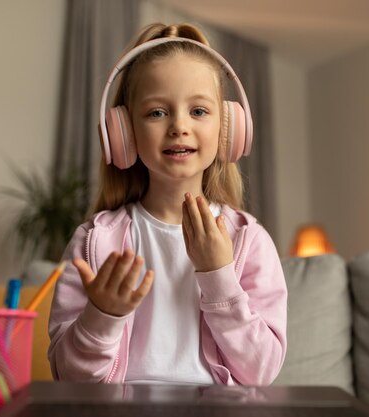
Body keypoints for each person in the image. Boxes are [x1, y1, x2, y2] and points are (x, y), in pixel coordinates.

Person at [48, 22, 287, 386]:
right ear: (124, 132)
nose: (179, 126)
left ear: (228, 129)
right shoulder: (92, 242)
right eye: (157, 112)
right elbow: (69, 378)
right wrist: (101, 317)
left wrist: (219, 276)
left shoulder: (248, 240)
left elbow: (261, 373)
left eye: (199, 111)